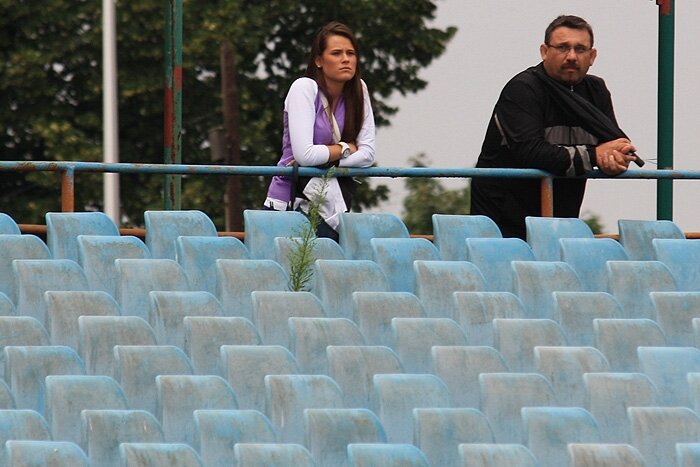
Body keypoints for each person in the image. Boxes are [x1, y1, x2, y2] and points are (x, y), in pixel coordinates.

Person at [470, 15, 638, 239]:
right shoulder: (523, 89)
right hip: (502, 224)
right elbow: (531, 152)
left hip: (560, 224)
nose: (571, 56)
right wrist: (596, 156)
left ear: (592, 56)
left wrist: (614, 160)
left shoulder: (596, 91)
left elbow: (612, 145)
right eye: (562, 47)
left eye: (580, 49)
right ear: (544, 51)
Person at [264, 21, 376, 241]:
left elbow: (368, 155)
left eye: (351, 53)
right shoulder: (304, 88)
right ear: (318, 60)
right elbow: (304, 155)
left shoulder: (359, 90)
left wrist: (325, 160)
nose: (346, 59)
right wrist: (345, 148)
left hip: (331, 204)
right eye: (336, 53)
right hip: (290, 204)